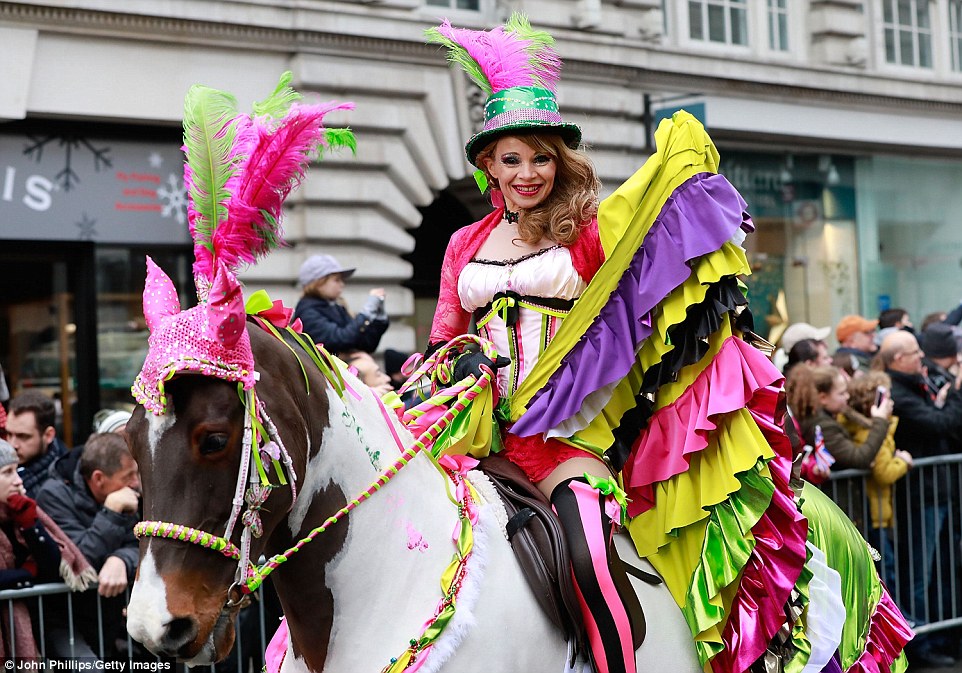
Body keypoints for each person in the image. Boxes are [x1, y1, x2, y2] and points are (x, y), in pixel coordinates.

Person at [879, 330, 962, 666]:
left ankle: (942, 637)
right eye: (915, 353)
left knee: (943, 570)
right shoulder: (898, 391)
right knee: (920, 574)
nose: (921, 358)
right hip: (920, 498)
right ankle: (921, 644)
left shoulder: (917, 383)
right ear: (899, 359)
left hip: (939, 492)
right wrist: (955, 395)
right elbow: (937, 423)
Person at [37, 432, 141, 659]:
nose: (136, 482)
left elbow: (142, 544)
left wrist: (121, 559)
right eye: (129, 475)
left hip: (113, 617)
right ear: (98, 478)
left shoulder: (128, 493)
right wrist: (112, 512)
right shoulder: (53, 496)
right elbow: (80, 560)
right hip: (67, 620)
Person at [0, 438, 96, 659]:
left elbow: (54, 566)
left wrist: (31, 526)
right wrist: (25, 575)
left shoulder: (21, 510)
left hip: (40, 619)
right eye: (7, 473)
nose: (17, 480)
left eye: (17, 471)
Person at [837, 371, 911, 594]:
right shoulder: (868, 432)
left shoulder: (878, 428)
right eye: (886, 396)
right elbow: (883, 472)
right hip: (875, 513)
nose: (891, 402)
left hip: (881, 512)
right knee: (885, 572)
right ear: (872, 402)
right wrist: (903, 461)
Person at [789, 365, 893, 471]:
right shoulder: (824, 427)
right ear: (823, 398)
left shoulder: (826, 415)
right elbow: (859, 458)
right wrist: (880, 420)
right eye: (841, 393)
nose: (847, 397)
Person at [293, 254, 389, 353]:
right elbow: (339, 339)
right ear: (318, 284)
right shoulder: (308, 312)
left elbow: (365, 345)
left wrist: (378, 319)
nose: (342, 284)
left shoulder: (336, 307)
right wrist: (366, 312)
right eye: (336, 280)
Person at [6, 391, 69, 497]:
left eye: (23, 436)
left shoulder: (63, 482)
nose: (12, 444)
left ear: (48, 435)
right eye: (9, 434)